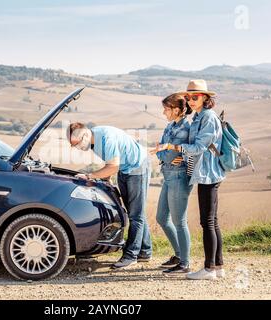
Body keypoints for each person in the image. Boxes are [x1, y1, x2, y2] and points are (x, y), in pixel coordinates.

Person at [158, 79, 226, 280]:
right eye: (188, 97)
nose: (190, 100)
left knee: (208, 222)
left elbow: (198, 148)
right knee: (212, 221)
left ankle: (209, 269)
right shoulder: (198, 117)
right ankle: (218, 266)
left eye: (194, 97)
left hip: (209, 174)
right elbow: (192, 149)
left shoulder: (208, 118)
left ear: (205, 98)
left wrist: (174, 148)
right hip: (202, 172)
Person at [66, 123, 152, 269]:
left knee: (135, 214)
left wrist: (90, 176)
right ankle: (145, 251)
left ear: (85, 135)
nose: (77, 147)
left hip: (137, 166)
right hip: (125, 169)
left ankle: (131, 255)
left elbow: (113, 165)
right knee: (134, 212)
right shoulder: (93, 142)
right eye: (73, 145)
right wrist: (106, 178)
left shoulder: (106, 138)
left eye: (77, 143)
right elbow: (111, 162)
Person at [149, 93, 193, 273]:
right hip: (169, 175)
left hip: (178, 176)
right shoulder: (170, 127)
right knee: (161, 217)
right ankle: (179, 254)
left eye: (166, 108)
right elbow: (161, 151)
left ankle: (185, 262)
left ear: (177, 110)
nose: (163, 112)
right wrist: (164, 152)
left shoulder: (184, 129)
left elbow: (166, 154)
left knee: (179, 221)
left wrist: (165, 153)